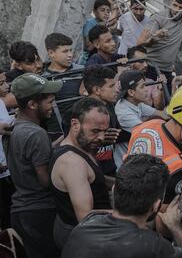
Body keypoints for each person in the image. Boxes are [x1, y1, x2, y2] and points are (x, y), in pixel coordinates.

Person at [61, 154, 182, 258]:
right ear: (157, 205)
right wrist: (174, 226)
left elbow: (124, 224)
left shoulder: (87, 223)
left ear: (114, 189)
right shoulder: (153, 246)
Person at [8, 73, 62, 258]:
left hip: (22, 210)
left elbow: (27, 158)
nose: (53, 107)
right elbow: (46, 180)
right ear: (32, 104)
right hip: (40, 212)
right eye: (49, 101)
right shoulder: (36, 134)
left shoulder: (16, 127)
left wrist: (57, 145)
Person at [50, 98, 112, 249]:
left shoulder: (82, 147)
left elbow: (93, 178)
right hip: (85, 240)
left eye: (105, 131)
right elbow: (86, 217)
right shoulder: (72, 162)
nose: (102, 138)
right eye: (96, 131)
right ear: (75, 124)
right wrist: (128, 214)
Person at [114, 70, 168, 166]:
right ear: (131, 92)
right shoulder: (123, 112)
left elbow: (161, 113)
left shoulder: (136, 103)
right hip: (129, 165)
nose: (146, 89)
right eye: (142, 86)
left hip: (140, 156)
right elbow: (148, 132)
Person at [83, 65, 130, 174]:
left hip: (111, 167)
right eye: (112, 86)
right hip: (91, 173)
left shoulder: (109, 105)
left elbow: (118, 133)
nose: (117, 90)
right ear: (97, 90)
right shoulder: (79, 113)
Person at [43, 32, 83, 138]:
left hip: (83, 129)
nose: (70, 54)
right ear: (51, 53)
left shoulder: (81, 71)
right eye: (65, 51)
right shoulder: (43, 79)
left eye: (70, 50)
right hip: (57, 133)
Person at [78, 0, 111, 65]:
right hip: (88, 60)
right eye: (102, 10)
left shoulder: (105, 25)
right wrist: (99, 30)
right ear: (94, 12)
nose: (106, 13)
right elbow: (88, 47)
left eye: (108, 11)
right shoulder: (90, 23)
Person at [0, 70, 14, 230]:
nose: (6, 86)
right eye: (1, 83)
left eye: (5, 81)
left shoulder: (2, 103)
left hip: (7, 170)